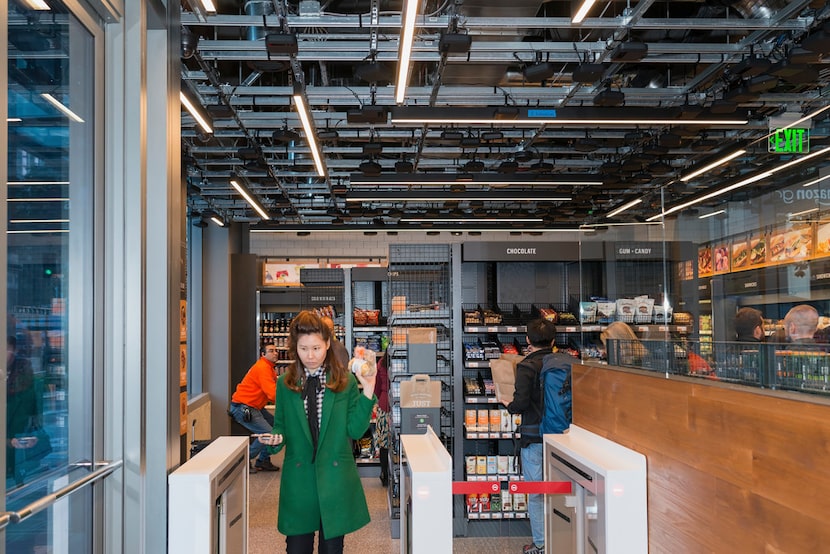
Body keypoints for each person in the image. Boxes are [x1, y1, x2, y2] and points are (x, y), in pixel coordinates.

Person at [258, 310, 377, 554]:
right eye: (303, 349)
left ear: (327, 345)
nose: (310, 356)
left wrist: (368, 390)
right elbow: (280, 424)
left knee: (331, 548)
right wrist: (275, 439)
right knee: (297, 548)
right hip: (299, 480)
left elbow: (355, 430)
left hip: (334, 480)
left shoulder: (344, 381)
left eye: (316, 348)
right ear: (294, 348)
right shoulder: (285, 383)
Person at [503, 318, 557, 554]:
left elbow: (520, 403)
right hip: (563, 438)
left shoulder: (527, 366)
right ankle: (564, 540)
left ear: (527, 340)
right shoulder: (565, 363)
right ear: (553, 341)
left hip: (534, 437)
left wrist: (508, 403)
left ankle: (541, 545)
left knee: (536, 493)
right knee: (561, 490)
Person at [228, 343, 281, 472]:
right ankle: (245, 461)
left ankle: (263, 461)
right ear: (263, 354)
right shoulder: (263, 368)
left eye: (276, 350)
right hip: (244, 407)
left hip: (252, 406)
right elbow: (272, 393)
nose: (275, 353)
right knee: (268, 433)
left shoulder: (268, 368)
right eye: (271, 351)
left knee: (275, 427)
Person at [6, 335, 42, 486]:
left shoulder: (24, 378)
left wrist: (34, 436)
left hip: (16, 464)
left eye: (6, 349)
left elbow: (35, 419)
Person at [373, 350, 391, 486]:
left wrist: (377, 401)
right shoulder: (403, 362)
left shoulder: (381, 363)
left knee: (384, 443)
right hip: (401, 405)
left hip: (384, 405)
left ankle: (384, 474)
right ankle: (399, 474)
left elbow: (377, 387)